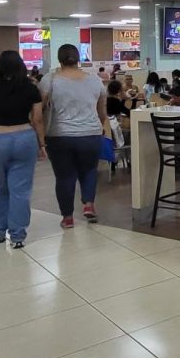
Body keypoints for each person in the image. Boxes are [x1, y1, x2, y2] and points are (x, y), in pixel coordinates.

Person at [0, 50, 45, 248]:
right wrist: (42, 144)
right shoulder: (31, 88)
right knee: (20, 190)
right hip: (24, 138)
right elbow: (38, 119)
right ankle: (17, 235)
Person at [40, 43, 108, 227]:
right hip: (91, 134)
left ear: (59, 59)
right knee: (89, 170)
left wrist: (39, 136)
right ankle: (88, 204)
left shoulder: (50, 80)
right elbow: (102, 112)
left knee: (65, 176)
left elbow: (39, 109)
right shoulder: (95, 80)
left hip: (60, 135)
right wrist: (96, 128)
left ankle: (67, 218)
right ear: (78, 59)